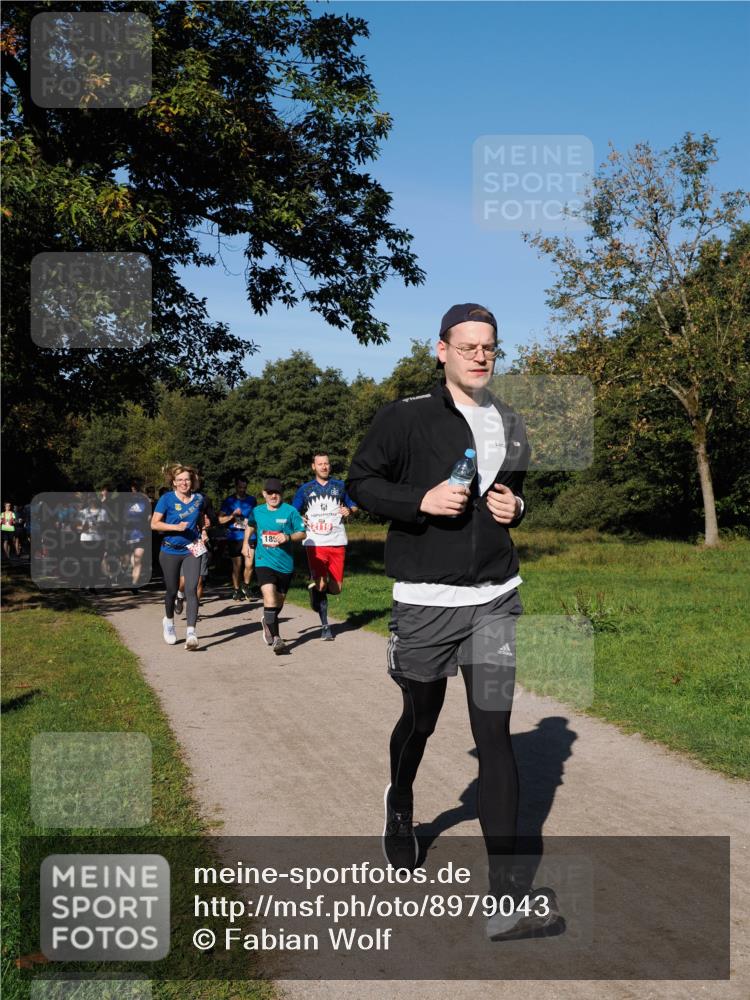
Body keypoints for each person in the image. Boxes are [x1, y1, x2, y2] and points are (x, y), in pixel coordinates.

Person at [347, 303, 558, 941]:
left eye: (489, 346)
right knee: (422, 718)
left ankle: (505, 900)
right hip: (426, 600)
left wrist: (515, 504)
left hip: (494, 597)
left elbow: (515, 492)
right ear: (441, 351)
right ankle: (401, 801)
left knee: (494, 733)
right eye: (466, 346)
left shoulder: (511, 421)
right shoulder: (405, 417)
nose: (479, 356)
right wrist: (419, 500)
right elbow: (361, 483)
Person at [292, 452, 358, 640]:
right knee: (321, 583)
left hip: (337, 541)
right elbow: (293, 511)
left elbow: (353, 506)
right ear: (313, 467)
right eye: (320, 464)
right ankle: (325, 626)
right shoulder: (305, 489)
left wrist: (349, 510)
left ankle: (314, 592)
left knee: (336, 588)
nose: (324, 467)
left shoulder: (340, 486)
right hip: (315, 542)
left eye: (326, 463)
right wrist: (299, 518)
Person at [242, 477, 305, 655]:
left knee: (278, 601)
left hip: (285, 564)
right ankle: (277, 638)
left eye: (276, 492)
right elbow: (251, 526)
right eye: (270, 493)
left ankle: (267, 621)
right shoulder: (257, 511)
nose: (273, 496)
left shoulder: (290, 511)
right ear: (264, 494)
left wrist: (288, 537)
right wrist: (245, 542)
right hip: (264, 561)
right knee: (269, 597)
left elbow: (302, 533)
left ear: (281, 494)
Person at [151, 464, 208, 650]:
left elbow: (200, 519)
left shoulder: (199, 499)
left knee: (192, 589)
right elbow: (154, 524)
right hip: (170, 550)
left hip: (193, 548)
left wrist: (204, 528)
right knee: (172, 590)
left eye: (187, 479)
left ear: (192, 482)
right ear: (174, 482)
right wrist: (175, 528)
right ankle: (168, 622)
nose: (184, 483)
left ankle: (191, 632)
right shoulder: (166, 499)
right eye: (180, 480)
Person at [219, 476, 258, 601]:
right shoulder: (229, 501)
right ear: (236, 486)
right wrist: (232, 515)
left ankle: (245, 586)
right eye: (240, 487)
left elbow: (255, 516)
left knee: (250, 563)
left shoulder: (252, 500)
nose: (242, 489)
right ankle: (236, 590)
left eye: (244, 487)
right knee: (237, 565)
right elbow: (220, 520)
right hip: (235, 536)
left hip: (250, 534)